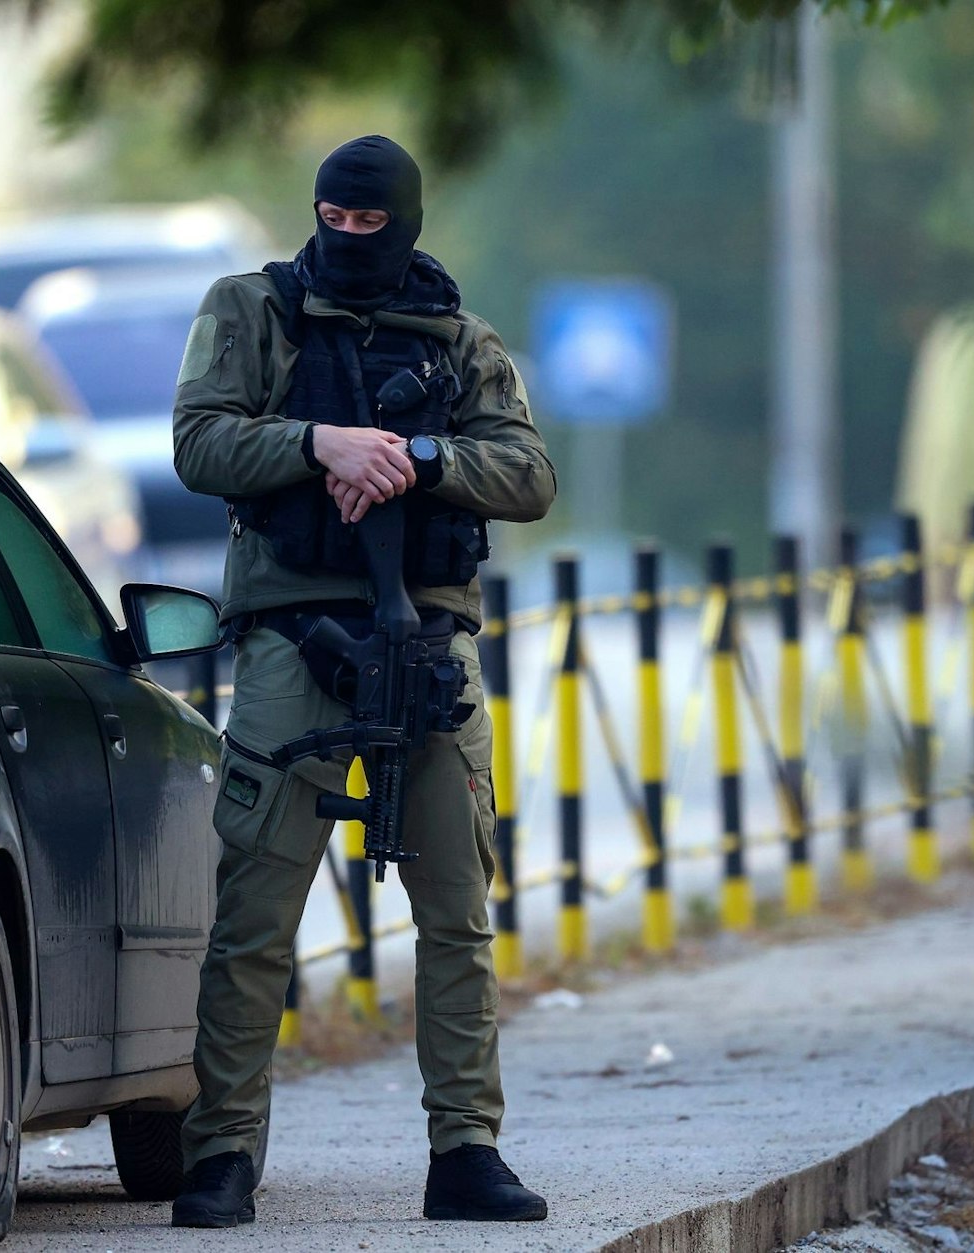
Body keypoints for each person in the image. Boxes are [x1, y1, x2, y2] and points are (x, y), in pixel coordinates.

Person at [168, 134, 556, 1227]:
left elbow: (527, 472)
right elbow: (200, 443)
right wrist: (324, 444)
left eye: (367, 224)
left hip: (426, 650)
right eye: (329, 219)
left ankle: (466, 1147)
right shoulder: (251, 309)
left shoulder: (459, 337)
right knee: (255, 910)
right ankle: (224, 1151)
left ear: (405, 221)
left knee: (457, 916)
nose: (345, 238)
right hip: (297, 637)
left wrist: (421, 459)